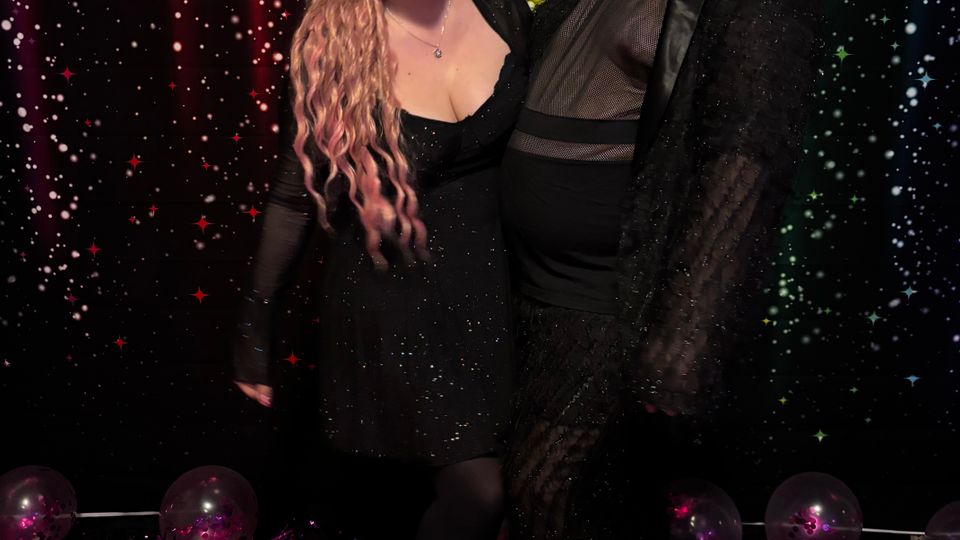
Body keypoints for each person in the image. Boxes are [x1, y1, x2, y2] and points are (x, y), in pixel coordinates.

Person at [499, 0, 824, 537]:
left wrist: (685, 336)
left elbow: (744, 158)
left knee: (545, 484)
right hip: (521, 282)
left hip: (609, 292)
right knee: (516, 486)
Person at [230, 0, 529, 538]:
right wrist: (257, 320)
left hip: (493, 291)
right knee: (480, 493)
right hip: (395, 300)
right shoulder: (333, 43)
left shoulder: (503, 10)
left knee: (517, 497)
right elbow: (294, 197)